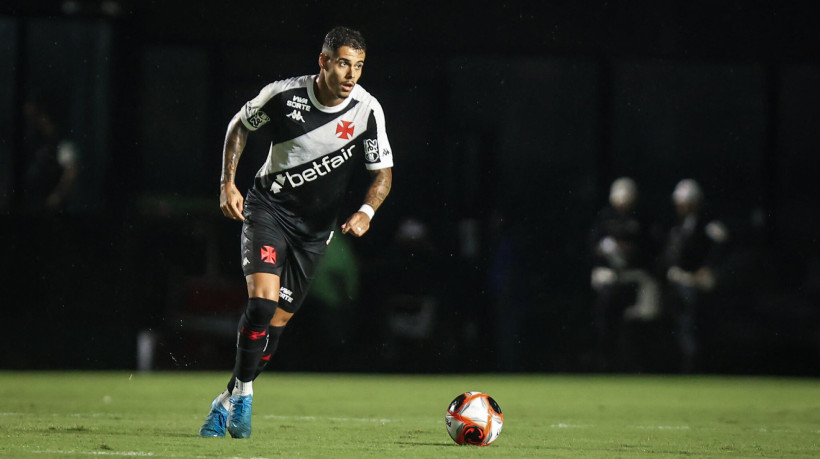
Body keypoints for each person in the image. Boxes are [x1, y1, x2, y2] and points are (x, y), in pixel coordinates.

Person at [198, 26, 393, 439]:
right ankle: (246, 396)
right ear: (323, 62)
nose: (351, 75)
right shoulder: (284, 96)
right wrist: (226, 183)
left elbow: (382, 174)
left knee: (276, 326)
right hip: (268, 210)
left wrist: (366, 211)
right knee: (263, 304)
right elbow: (239, 126)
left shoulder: (367, 110)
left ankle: (226, 399)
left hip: (314, 233)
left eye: (358, 66)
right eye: (343, 63)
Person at [587, 177, 659, 371]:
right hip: (609, 279)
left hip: (635, 279)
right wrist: (606, 249)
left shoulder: (642, 219)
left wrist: (632, 251)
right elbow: (593, 247)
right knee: (605, 321)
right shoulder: (604, 218)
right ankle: (605, 363)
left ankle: (637, 365)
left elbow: (651, 250)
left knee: (639, 324)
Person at [659, 179, 728, 373]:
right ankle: (681, 364)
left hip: (697, 283)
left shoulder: (708, 224)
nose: (681, 207)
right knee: (679, 324)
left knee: (694, 325)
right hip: (677, 281)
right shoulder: (676, 225)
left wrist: (708, 268)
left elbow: (720, 247)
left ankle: (695, 365)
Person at [20, 95, 79, 213]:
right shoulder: (33, 141)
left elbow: (71, 171)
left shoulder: (61, 141)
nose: (33, 122)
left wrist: (57, 196)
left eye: (35, 116)